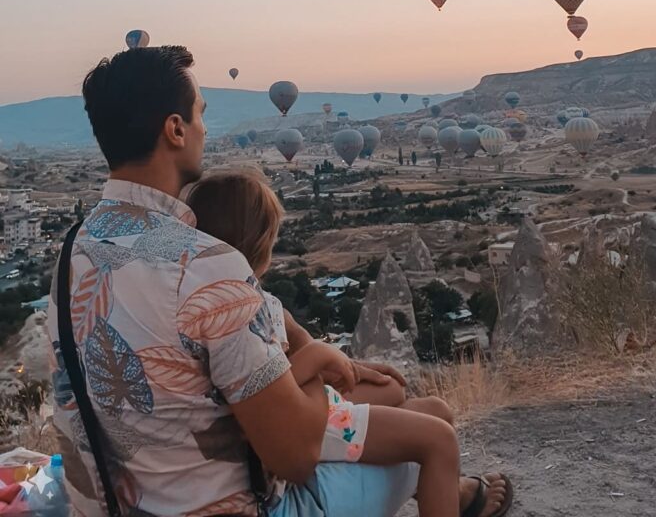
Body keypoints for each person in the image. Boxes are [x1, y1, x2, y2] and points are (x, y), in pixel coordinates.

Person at [47, 46, 511, 517]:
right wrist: (316, 358)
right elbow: (294, 456)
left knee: (410, 417)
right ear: (175, 129)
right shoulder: (206, 265)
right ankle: (453, 494)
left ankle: (458, 494)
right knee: (429, 434)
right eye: (200, 115)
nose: (205, 130)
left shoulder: (72, 254)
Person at [188, 172, 510, 517]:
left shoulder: (257, 302)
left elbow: (305, 350)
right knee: (438, 436)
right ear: (262, 244)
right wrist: (315, 358)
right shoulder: (240, 312)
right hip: (292, 430)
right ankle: (446, 488)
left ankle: (452, 492)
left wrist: (348, 366)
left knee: (402, 393)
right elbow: (259, 393)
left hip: (304, 410)